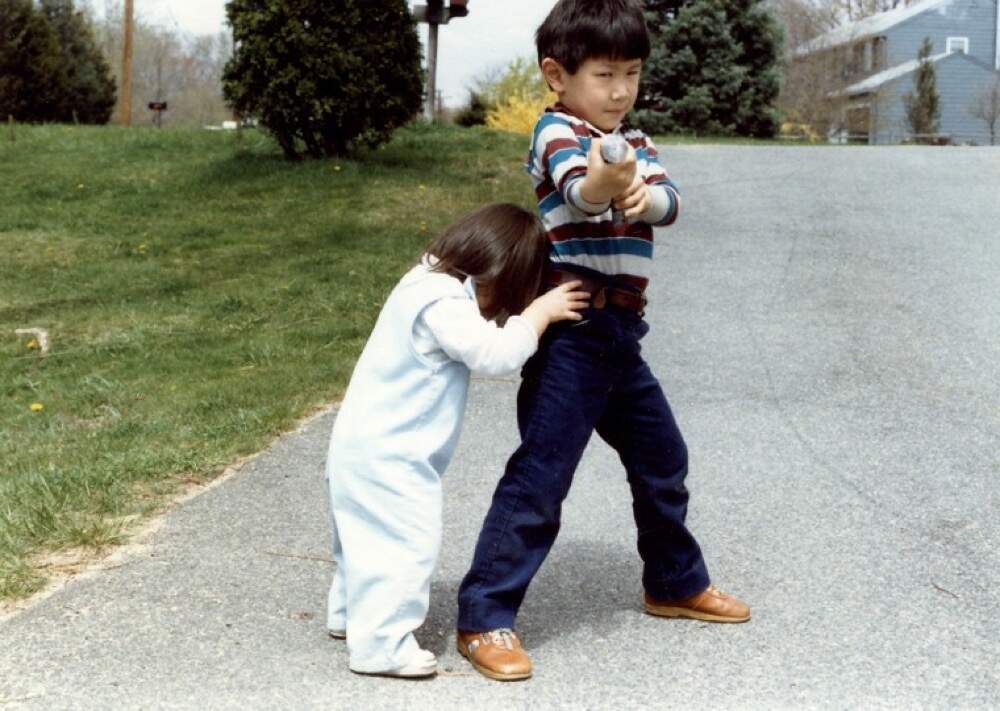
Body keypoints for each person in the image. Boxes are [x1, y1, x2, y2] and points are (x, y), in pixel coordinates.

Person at [455, 0, 751, 682]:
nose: (620, 90)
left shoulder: (639, 142)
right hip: (575, 332)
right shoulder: (555, 131)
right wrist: (607, 180)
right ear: (557, 75)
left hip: (622, 334)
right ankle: (484, 614)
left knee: (663, 457)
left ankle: (673, 581)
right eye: (604, 74)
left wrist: (645, 198)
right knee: (542, 475)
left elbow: (669, 202)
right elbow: (582, 193)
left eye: (633, 74)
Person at [324, 203, 589, 679]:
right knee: (406, 544)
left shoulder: (422, 281)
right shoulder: (443, 302)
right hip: (394, 458)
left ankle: (348, 615)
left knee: (362, 539)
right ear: (498, 272)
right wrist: (539, 314)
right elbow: (493, 354)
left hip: (358, 447)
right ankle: (382, 645)